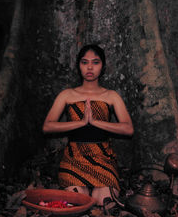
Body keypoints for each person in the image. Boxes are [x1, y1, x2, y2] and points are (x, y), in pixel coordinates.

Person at [43, 44, 134, 205]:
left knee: (104, 201)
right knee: (78, 201)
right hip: (74, 158)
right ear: (79, 66)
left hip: (103, 157)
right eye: (84, 62)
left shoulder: (111, 96)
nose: (90, 67)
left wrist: (95, 122)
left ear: (103, 66)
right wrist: (81, 123)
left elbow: (128, 129)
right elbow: (48, 127)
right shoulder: (67, 94)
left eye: (95, 62)